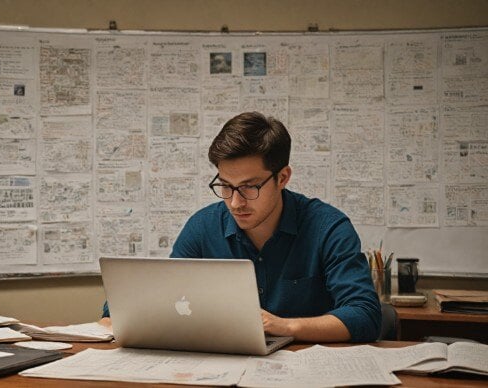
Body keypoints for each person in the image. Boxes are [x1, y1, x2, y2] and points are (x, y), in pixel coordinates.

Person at [100, 111, 381, 343]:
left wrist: (287, 327)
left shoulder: (328, 228)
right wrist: (115, 315)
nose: (235, 203)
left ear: (282, 178)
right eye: (225, 186)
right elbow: (166, 292)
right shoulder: (202, 227)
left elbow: (365, 315)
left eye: (249, 187)